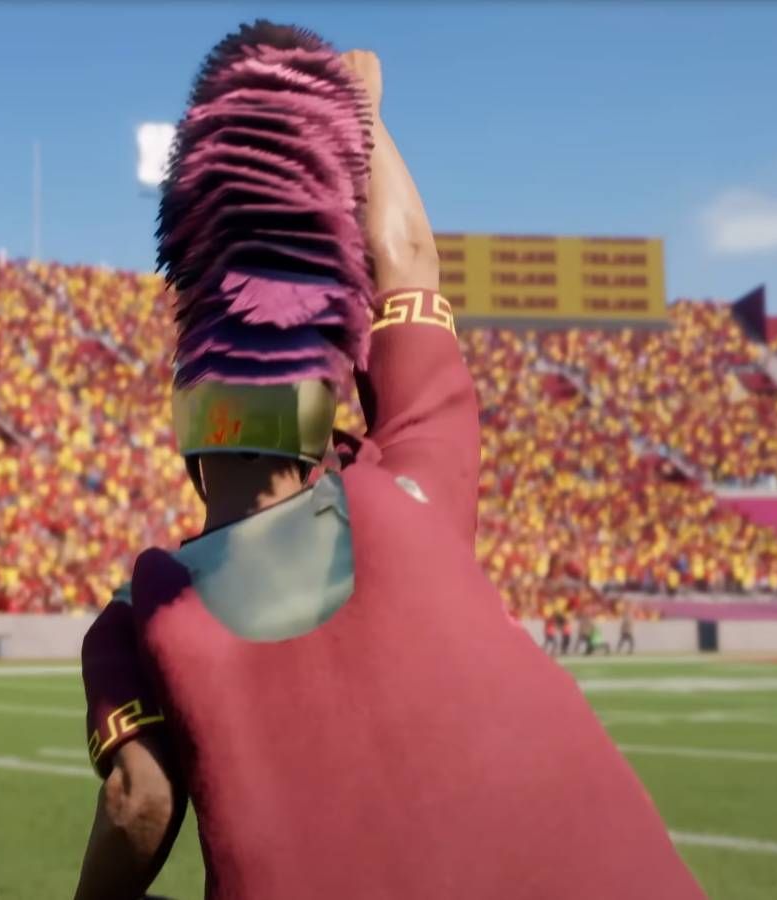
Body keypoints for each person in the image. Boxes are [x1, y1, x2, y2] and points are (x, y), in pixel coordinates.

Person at [73, 28, 701, 900]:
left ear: (191, 436)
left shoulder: (140, 610)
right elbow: (406, 254)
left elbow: (139, 805)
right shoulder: (416, 487)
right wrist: (357, 118)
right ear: (325, 412)